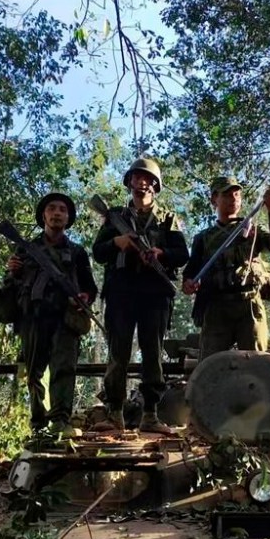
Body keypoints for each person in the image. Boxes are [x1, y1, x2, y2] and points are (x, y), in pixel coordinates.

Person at [91, 157, 189, 435]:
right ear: (129, 182)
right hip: (121, 292)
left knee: (153, 354)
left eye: (146, 179)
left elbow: (182, 255)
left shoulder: (168, 219)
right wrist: (117, 242)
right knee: (117, 352)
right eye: (136, 178)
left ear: (155, 186)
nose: (141, 184)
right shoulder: (115, 218)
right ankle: (114, 414)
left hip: (155, 295)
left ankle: (150, 414)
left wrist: (161, 254)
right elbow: (98, 252)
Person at [3, 192, 98, 440]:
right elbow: (12, 286)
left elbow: (90, 287)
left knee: (64, 369)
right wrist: (12, 271)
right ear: (43, 215)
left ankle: (59, 421)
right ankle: (38, 425)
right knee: (34, 373)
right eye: (52, 209)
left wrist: (84, 298)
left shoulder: (77, 252)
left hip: (65, 319)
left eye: (62, 210)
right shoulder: (25, 249)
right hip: (33, 318)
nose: (57, 213)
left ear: (68, 218)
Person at [182, 176, 270, 359]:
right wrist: (188, 283)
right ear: (214, 199)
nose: (233, 199)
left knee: (257, 362)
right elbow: (191, 272)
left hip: (249, 304)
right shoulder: (204, 238)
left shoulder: (253, 231)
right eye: (227, 195)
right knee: (211, 364)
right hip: (217, 306)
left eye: (236, 194)